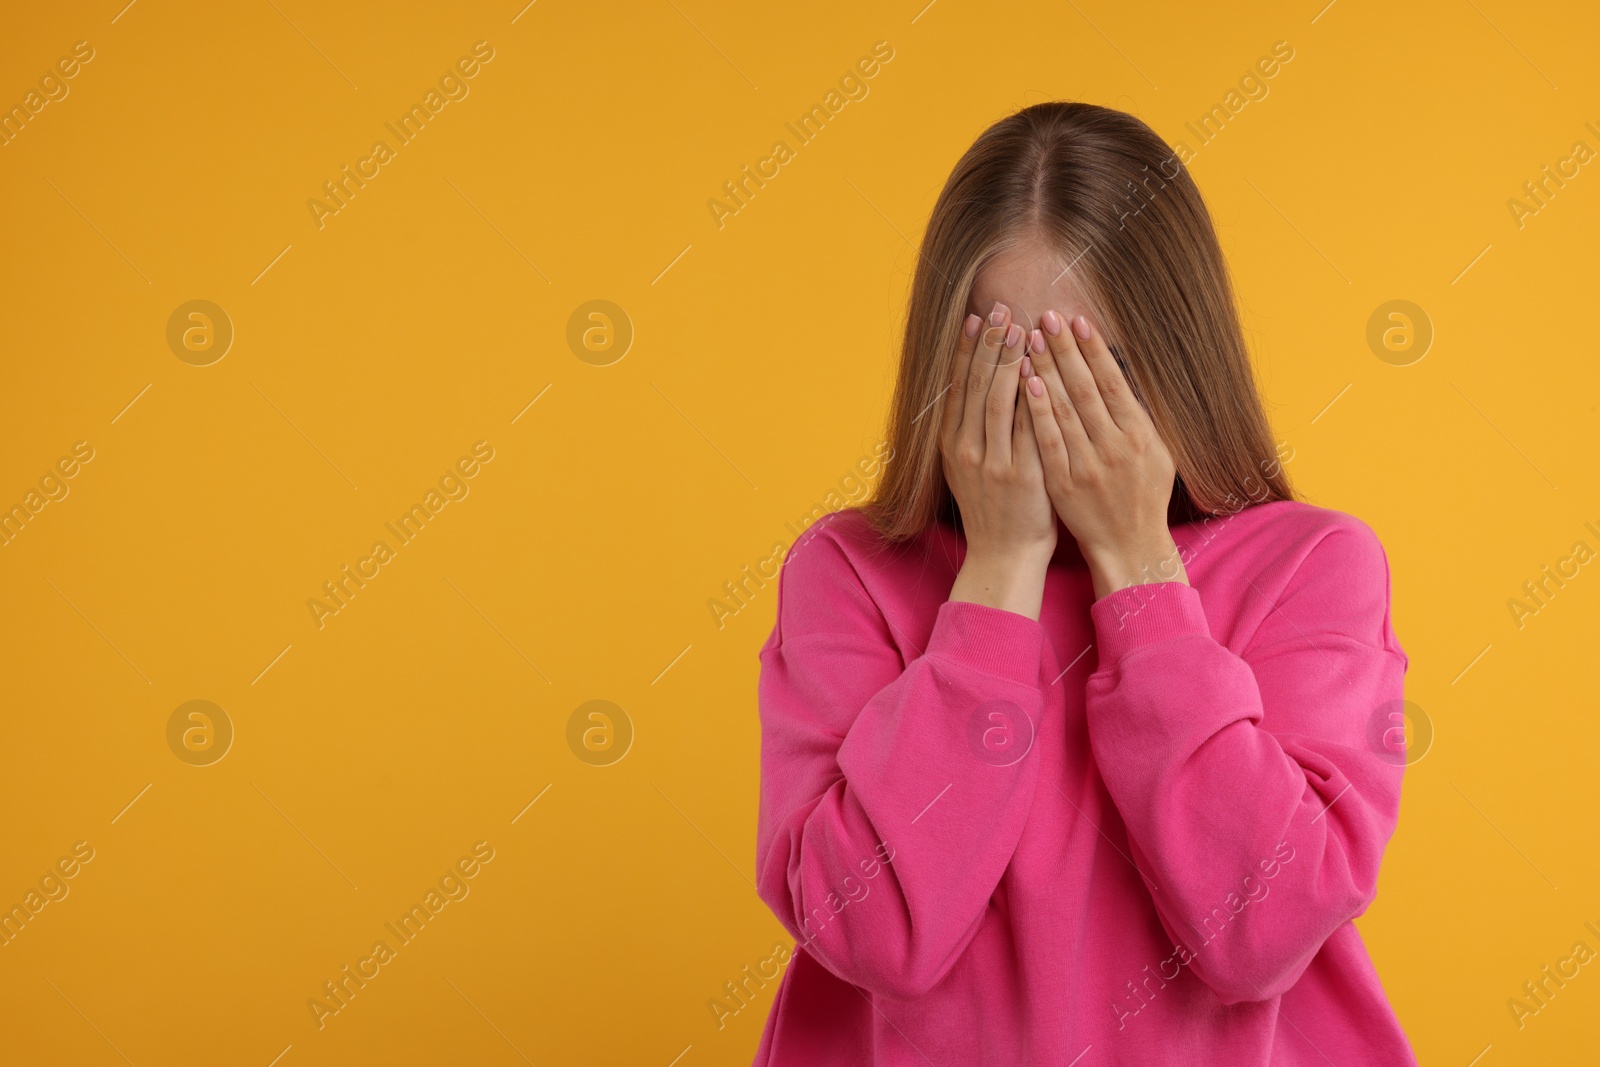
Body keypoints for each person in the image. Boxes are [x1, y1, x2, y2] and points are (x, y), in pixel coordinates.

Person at [751, 101, 1416, 1065]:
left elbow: (1261, 926)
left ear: (1176, 361)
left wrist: (1141, 573)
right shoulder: (846, 572)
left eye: (1090, 368)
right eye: (1010, 363)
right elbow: (874, 932)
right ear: (946, 364)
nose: (1051, 411)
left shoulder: (1315, 566)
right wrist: (1000, 571)